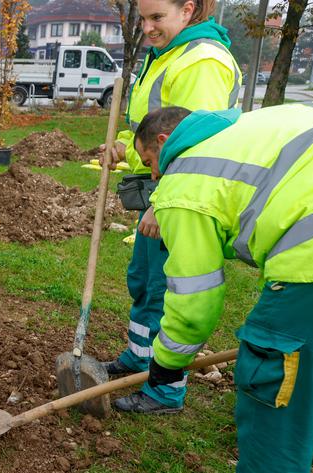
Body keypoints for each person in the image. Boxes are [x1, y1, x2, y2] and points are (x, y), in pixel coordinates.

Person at [132, 104, 313, 473]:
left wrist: (166, 363)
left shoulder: (185, 180)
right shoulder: (241, 129)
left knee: (275, 384)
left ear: (165, 145)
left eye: (149, 163)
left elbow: (194, 298)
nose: (152, 178)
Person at [98, 0, 242, 414]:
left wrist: (162, 206)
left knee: (169, 287)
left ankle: (165, 387)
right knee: (144, 280)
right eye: (143, 18)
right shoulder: (168, 54)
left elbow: (193, 146)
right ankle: (140, 357)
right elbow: (157, 130)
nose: (147, 28)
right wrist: (128, 148)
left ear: (189, 9)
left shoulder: (202, 61)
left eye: (157, 17)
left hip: (182, 193)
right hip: (161, 184)